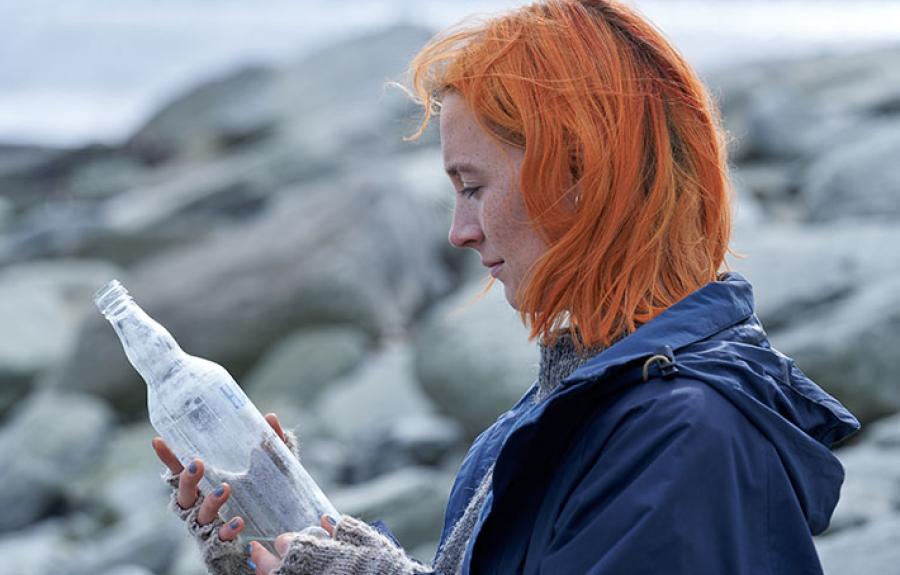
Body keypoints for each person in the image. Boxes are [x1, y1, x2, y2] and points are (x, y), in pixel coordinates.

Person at [153, 1, 860, 573]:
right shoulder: (575, 410)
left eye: (473, 186)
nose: (460, 231)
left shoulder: (683, 437)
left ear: (581, 175)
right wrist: (280, 549)